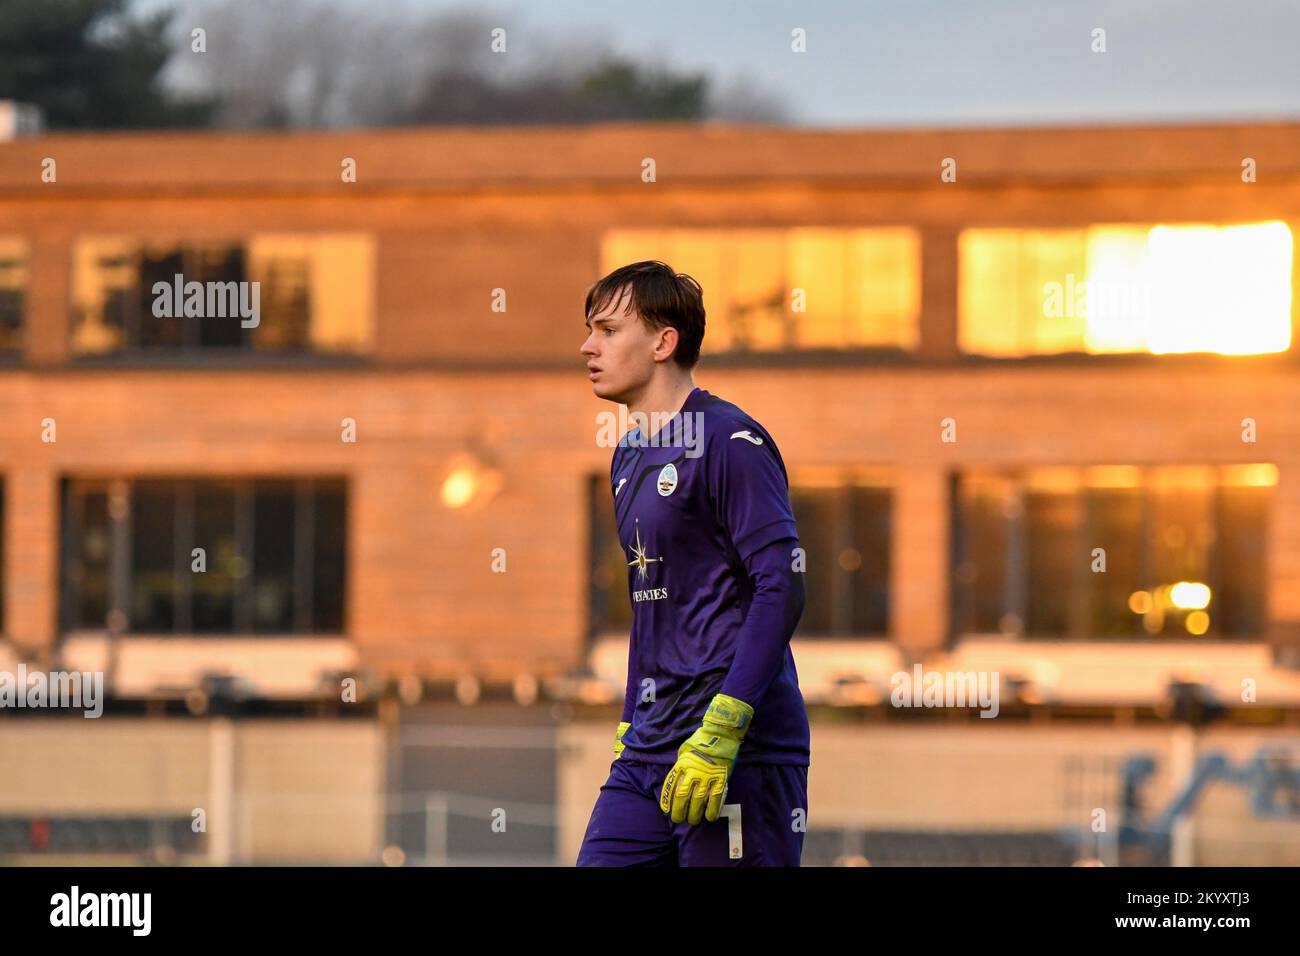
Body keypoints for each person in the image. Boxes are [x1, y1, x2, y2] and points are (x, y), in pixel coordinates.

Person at [576, 260, 809, 866]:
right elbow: (650, 602)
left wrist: (725, 727)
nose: (587, 346)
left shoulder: (733, 441)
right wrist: (632, 720)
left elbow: (780, 585)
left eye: (606, 330)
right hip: (648, 754)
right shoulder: (627, 457)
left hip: (736, 754)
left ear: (663, 342)